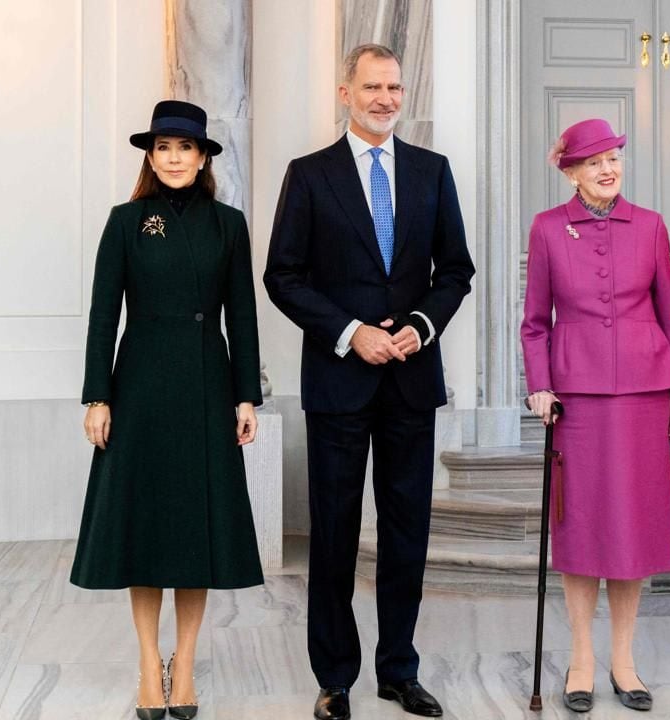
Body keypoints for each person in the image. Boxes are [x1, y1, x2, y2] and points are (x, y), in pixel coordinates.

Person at [264, 44, 474, 720]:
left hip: (412, 379)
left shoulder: (432, 172)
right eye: (372, 86)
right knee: (333, 533)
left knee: (407, 531)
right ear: (345, 93)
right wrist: (353, 331)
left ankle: (398, 671)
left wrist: (420, 324)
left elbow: (456, 272)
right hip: (338, 380)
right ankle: (334, 678)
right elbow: (283, 276)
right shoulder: (309, 175)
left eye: (394, 86)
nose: (385, 98)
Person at [71, 100, 263, 720]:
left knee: (195, 531)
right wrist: (98, 395)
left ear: (204, 156)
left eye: (185, 147)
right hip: (141, 385)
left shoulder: (229, 224)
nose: (174, 158)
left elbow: (244, 316)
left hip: (207, 383)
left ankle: (184, 663)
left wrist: (245, 396)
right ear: (151, 157)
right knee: (146, 525)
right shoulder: (126, 221)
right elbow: (104, 313)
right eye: (163, 147)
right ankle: (148, 664)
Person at [521, 118, 670, 714]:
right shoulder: (547, 229)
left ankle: (624, 658)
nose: (607, 168)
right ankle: (581, 657)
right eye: (593, 161)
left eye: (613, 156)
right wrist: (539, 385)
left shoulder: (650, 226)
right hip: (576, 398)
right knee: (581, 526)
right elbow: (535, 322)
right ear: (570, 171)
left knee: (632, 527)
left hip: (645, 394)